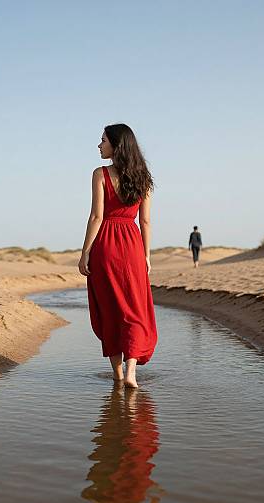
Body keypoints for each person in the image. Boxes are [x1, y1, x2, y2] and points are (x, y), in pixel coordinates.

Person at [78, 123, 158, 389]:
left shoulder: (100, 174)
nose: (99, 145)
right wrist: (146, 256)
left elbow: (97, 217)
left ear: (116, 145)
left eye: (103, 140)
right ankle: (132, 372)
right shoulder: (143, 177)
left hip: (106, 246)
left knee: (110, 309)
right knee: (133, 308)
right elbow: (145, 222)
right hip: (133, 245)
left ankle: (118, 374)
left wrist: (85, 252)